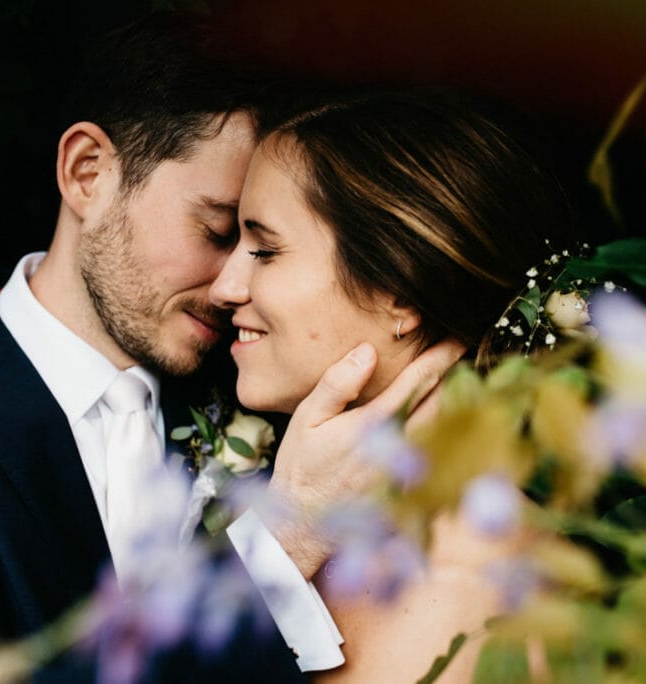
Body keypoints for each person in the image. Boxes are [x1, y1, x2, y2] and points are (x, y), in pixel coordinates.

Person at [0, 14, 461, 683]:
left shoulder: (274, 389)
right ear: (87, 173)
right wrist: (278, 547)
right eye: (219, 230)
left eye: (264, 246)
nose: (233, 286)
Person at [208, 89, 573, 682]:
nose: (224, 287)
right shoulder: (346, 530)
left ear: (396, 292)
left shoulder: (461, 589)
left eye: (266, 250)